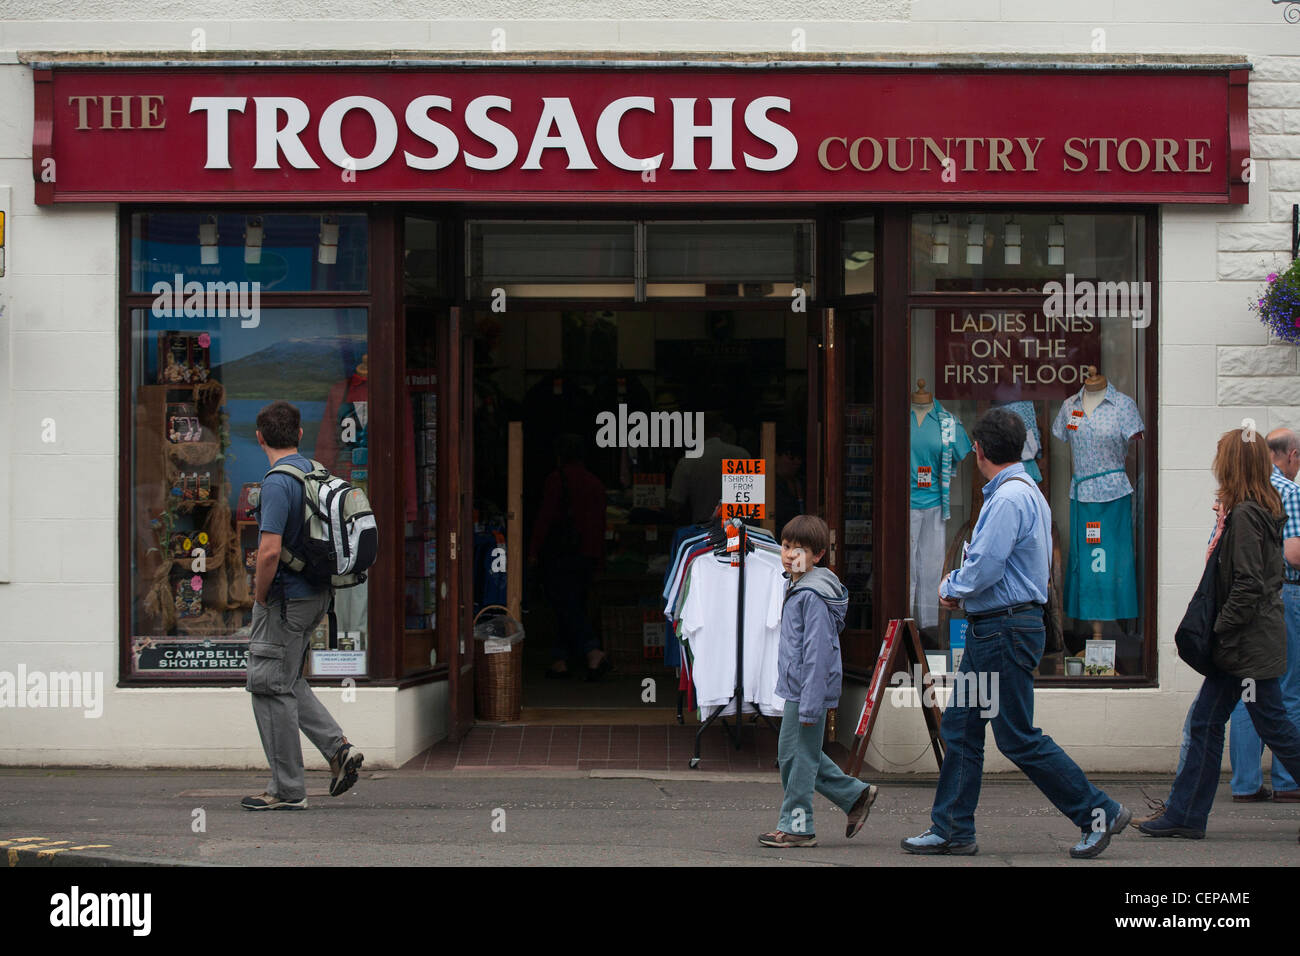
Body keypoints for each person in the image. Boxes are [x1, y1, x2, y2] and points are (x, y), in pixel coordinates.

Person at [902, 407, 1130, 858]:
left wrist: (951, 587)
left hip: (1003, 627)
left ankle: (1098, 812)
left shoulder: (1008, 499)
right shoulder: (1026, 492)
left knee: (1015, 736)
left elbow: (984, 566)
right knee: (963, 728)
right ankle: (951, 828)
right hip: (1005, 625)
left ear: (979, 450)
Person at [1139, 428, 1300, 840]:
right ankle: (1185, 814)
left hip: (1244, 647)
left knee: (1270, 726)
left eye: (1220, 457)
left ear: (1231, 464)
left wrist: (1220, 630)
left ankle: (1186, 814)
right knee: (1211, 724)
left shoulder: (1247, 515)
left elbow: (1247, 584)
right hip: (1248, 644)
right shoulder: (1251, 509)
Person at [243, 400, 364, 810]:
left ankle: (287, 790)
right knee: (288, 678)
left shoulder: (277, 484)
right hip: (316, 595)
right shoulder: (314, 472)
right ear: (298, 434)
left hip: (284, 600)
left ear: (259, 438)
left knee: (268, 686)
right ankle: (337, 750)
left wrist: (259, 597)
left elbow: (269, 552)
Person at [759, 514, 878, 848]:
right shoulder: (796, 586)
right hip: (800, 689)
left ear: (818, 555)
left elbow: (818, 655)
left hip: (808, 692)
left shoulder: (812, 595)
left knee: (798, 759)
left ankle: (798, 826)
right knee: (793, 755)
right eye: (785, 546)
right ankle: (855, 796)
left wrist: (811, 704)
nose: (789, 554)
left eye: (799, 549)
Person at [1228, 428, 1300, 803]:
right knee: (1287, 690)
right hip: (1284, 595)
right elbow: (1293, 555)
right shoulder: (1287, 492)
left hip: (1247, 603)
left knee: (1248, 691)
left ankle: (1245, 782)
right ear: (1290, 455)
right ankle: (1289, 781)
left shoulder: (1242, 493)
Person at [529, 433, 611, 680]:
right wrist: (600, 559)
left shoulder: (557, 479)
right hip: (588, 554)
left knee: (564, 604)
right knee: (574, 603)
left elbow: (545, 517)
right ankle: (560, 659)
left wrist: (533, 550)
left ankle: (591, 650)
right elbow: (601, 523)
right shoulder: (595, 483)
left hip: (562, 553)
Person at [668, 412, 749, 525]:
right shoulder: (743, 456)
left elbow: (675, 504)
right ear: (722, 428)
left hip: (702, 531)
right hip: (738, 530)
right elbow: (752, 503)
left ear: (695, 432)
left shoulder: (688, 461)